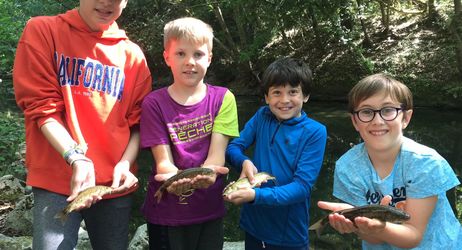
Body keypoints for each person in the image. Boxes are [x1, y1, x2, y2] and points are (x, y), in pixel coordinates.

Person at [13, 0, 152, 249]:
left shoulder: (134, 57)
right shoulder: (43, 31)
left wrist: (125, 163)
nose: (107, 2)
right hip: (55, 181)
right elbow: (40, 106)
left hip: (113, 187)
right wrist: (76, 157)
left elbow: (139, 124)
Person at [317, 73, 462, 249]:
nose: (378, 121)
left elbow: (413, 235)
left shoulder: (425, 163)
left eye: (388, 110)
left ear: (406, 118)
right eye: (366, 112)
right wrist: (361, 226)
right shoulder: (347, 167)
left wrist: (381, 228)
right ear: (355, 121)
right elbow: (372, 238)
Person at [139, 17, 239, 250]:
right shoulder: (153, 103)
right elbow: (163, 162)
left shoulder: (224, 98)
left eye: (198, 54)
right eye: (181, 53)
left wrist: (210, 174)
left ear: (210, 58)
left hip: (209, 209)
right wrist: (173, 181)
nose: (190, 62)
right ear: (167, 58)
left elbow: (216, 156)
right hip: (166, 212)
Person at [225, 57, 327, 250]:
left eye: (293, 92)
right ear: (266, 97)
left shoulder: (315, 132)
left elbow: (302, 187)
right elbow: (233, 147)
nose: (284, 100)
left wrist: (255, 196)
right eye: (276, 93)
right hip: (253, 226)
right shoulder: (262, 116)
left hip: (288, 234)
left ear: (305, 95)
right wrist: (244, 162)